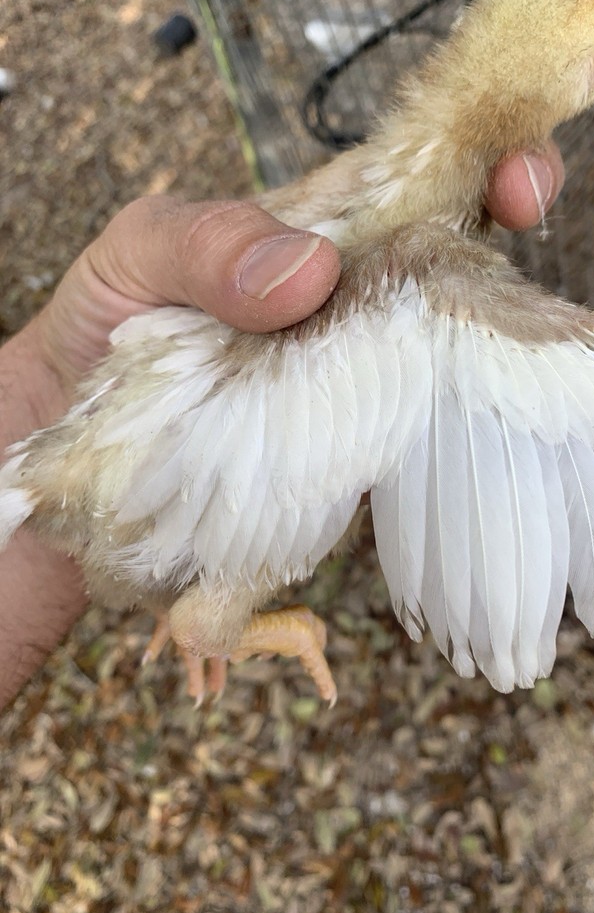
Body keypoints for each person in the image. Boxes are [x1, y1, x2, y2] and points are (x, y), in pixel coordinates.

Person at [0, 144, 565, 707]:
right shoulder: (414, 274)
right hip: (129, 438)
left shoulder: (370, 221)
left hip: (76, 437)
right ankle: (199, 596)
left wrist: (54, 381)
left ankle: (166, 566)